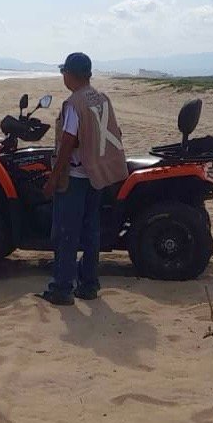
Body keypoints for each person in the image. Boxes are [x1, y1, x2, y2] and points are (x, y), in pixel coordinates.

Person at [39, 52, 128, 306]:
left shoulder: (74, 103)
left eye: (63, 72)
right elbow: (115, 131)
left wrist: (53, 179)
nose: (62, 76)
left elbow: (68, 142)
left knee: (66, 234)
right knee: (91, 231)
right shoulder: (101, 98)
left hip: (76, 176)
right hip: (96, 175)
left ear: (70, 74)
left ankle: (62, 288)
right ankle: (89, 285)